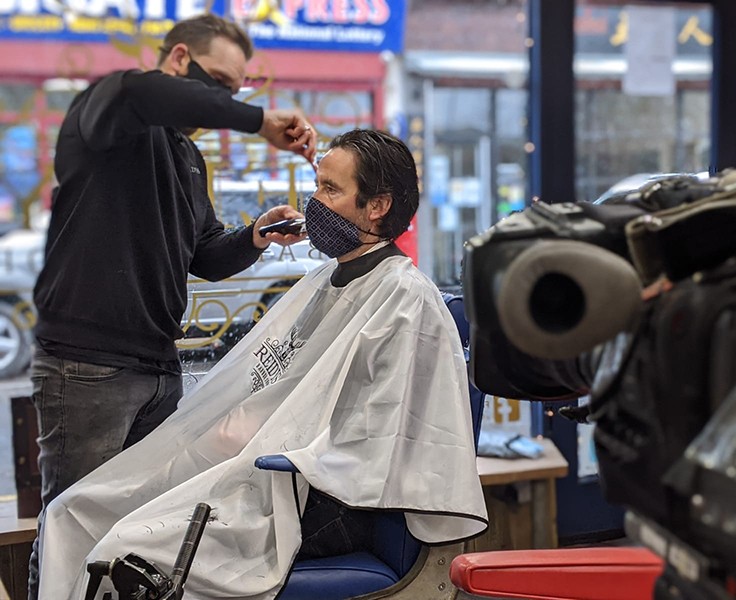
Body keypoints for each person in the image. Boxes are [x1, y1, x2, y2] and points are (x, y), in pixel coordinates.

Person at [37, 128, 488, 599]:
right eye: (317, 185)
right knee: (78, 509)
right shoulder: (327, 282)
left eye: (331, 190)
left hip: (336, 499)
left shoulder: (405, 298)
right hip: (274, 473)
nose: (314, 202)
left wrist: (271, 442)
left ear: (377, 206)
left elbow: (384, 435)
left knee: (132, 549)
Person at [28, 13, 318, 599]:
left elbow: (204, 252)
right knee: (71, 529)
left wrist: (255, 235)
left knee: (134, 536)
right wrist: (259, 120)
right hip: (88, 365)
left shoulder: (189, 159)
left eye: (233, 94)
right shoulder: (111, 111)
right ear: (179, 60)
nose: (220, 103)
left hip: (157, 368)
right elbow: (143, 92)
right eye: (215, 84)